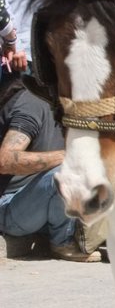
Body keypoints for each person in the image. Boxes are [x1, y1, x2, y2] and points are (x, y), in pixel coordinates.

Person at [0, 81, 102, 262]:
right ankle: (62, 243)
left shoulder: (73, 109)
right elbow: (5, 161)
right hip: (9, 208)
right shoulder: (32, 103)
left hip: (42, 207)